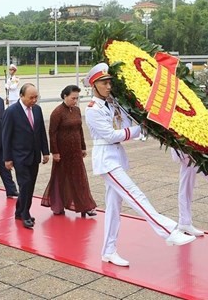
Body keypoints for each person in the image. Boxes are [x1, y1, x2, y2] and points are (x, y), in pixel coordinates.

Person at [84, 63, 195, 268]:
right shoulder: (92, 109)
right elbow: (110, 135)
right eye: (104, 83)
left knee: (114, 208)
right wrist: (137, 130)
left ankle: (108, 251)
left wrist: (142, 122)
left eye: (109, 82)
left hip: (116, 157)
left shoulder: (113, 104)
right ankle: (169, 231)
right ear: (94, 85)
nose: (109, 86)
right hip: (106, 160)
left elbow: (126, 125)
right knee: (136, 195)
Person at [41, 85, 97, 217]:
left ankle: (85, 206)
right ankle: (58, 205)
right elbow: (52, 133)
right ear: (65, 96)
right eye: (73, 98)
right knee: (60, 178)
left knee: (79, 178)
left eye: (77, 98)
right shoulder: (57, 112)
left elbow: (80, 129)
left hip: (76, 150)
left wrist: (83, 147)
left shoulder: (77, 110)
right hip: (62, 152)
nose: (75, 101)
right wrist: (54, 152)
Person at [2, 83, 50, 229]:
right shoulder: (11, 111)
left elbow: (41, 131)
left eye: (36, 97)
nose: (34, 100)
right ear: (21, 96)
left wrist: (45, 151)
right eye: (31, 97)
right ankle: (25, 214)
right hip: (19, 156)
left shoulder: (37, 109)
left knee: (30, 185)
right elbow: (6, 136)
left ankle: (18, 211)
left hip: (34, 155)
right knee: (25, 185)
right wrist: (7, 158)